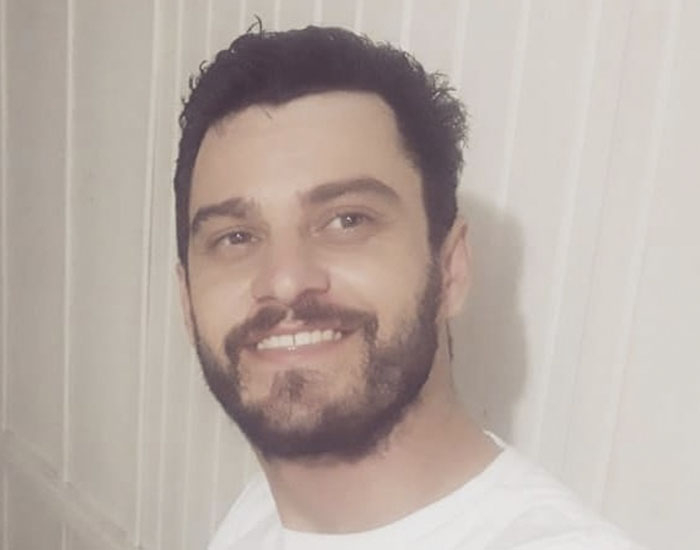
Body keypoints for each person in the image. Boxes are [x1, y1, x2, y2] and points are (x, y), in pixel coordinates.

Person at [174, 24, 643, 550]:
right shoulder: (260, 511)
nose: (284, 280)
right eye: (235, 237)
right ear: (186, 300)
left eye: (347, 221)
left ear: (450, 269)